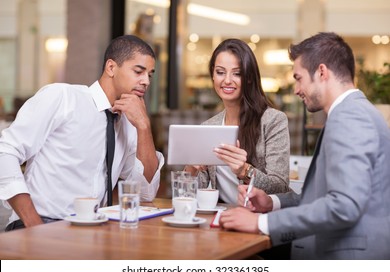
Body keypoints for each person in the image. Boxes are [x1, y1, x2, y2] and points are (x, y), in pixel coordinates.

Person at [219, 32, 390, 259]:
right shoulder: (356, 111)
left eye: (298, 78)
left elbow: (344, 206)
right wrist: (272, 202)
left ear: (321, 72)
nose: (296, 90)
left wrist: (261, 222)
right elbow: (325, 196)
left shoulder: (349, 117)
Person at [0, 35, 164, 231]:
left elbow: (145, 193)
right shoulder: (63, 98)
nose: (146, 81)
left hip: (93, 230)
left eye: (150, 75)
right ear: (111, 67)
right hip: (41, 223)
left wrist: (144, 127)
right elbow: (5, 152)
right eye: (139, 71)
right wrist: (34, 224)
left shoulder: (129, 122)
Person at [186, 38, 290, 204]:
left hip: (260, 219)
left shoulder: (273, 120)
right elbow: (195, 195)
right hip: (223, 218)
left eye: (237, 73)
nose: (227, 80)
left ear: (249, 78)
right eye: (220, 72)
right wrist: (191, 170)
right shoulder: (209, 127)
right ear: (213, 75)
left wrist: (245, 170)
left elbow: (281, 187)